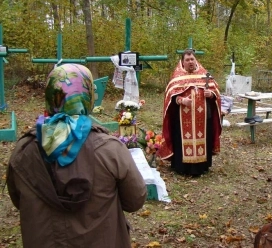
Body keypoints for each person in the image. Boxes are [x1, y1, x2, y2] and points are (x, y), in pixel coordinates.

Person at [6, 64, 147, 248]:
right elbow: (135, 200)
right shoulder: (110, 150)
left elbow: (18, 200)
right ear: (88, 96)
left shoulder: (23, 151)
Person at [159, 49, 222, 176]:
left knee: (204, 139)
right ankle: (183, 167)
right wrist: (181, 100)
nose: (190, 62)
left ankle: (202, 166)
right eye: (187, 60)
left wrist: (211, 95)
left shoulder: (205, 76)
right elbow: (169, 99)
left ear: (195, 60)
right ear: (182, 62)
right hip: (182, 119)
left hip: (203, 119)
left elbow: (216, 94)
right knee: (181, 140)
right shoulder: (177, 78)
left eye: (192, 59)